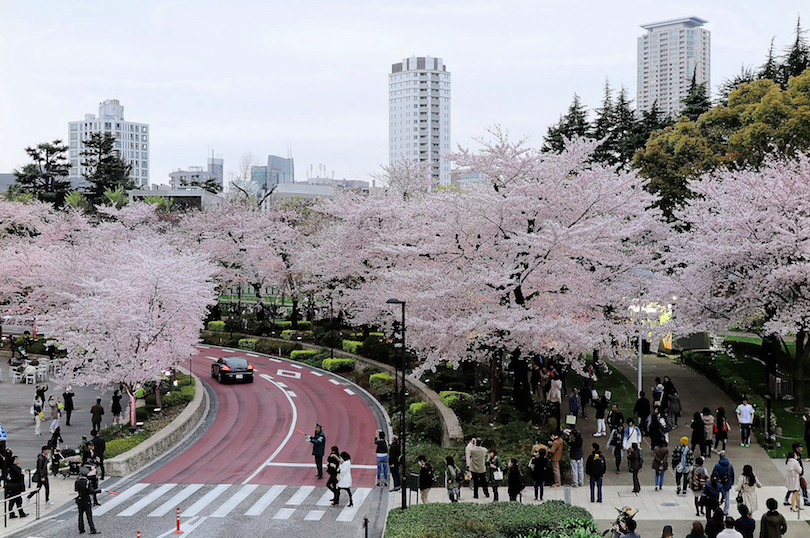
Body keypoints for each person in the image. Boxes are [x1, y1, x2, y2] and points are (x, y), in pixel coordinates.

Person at [75, 466, 101, 534]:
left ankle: (81, 529)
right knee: (89, 515)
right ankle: (92, 529)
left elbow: (76, 489)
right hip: (86, 500)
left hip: (80, 499)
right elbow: (91, 491)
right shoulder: (87, 482)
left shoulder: (77, 481)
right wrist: (99, 491)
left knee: (80, 515)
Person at [712, 450, 735, 515]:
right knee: (727, 497)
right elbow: (733, 475)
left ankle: (716, 509)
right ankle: (726, 511)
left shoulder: (717, 466)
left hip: (718, 483)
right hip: (727, 483)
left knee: (717, 496)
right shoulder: (730, 466)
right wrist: (731, 483)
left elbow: (714, 474)